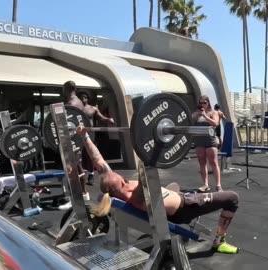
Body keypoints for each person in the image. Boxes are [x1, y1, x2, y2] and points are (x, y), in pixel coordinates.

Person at [77, 124, 240, 254]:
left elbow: (97, 159)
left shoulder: (114, 188)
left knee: (176, 186)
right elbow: (147, 167)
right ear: (119, 184)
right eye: (118, 176)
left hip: (174, 198)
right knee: (232, 198)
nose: (119, 174)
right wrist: (154, 136)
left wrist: (84, 136)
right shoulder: (135, 194)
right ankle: (219, 241)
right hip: (186, 207)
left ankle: (187, 195)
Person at [61, 81, 89, 209]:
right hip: (78, 138)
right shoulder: (79, 102)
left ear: (65, 89)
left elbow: (69, 125)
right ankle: (83, 194)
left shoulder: (72, 104)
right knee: (78, 166)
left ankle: (76, 198)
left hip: (74, 139)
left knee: (73, 167)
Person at [78, 91, 115, 185]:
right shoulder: (76, 108)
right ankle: (81, 176)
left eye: (85, 97)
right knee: (79, 156)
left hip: (90, 135)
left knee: (90, 155)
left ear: (87, 98)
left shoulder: (92, 109)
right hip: (77, 135)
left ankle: (91, 175)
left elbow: (101, 118)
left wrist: (108, 120)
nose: (83, 99)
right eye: (81, 97)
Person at [192, 95, 222, 192]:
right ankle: (205, 184)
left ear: (208, 103)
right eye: (200, 103)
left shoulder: (213, 113)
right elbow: (190, 121)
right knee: (202, 162)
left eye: (204, 102)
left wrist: (205, 116)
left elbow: (215, 124)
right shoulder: (196, 114)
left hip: (210, 140)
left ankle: (218, 185)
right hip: (199, 140)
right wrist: (196, 115)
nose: (202, 104)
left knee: (213, 162)